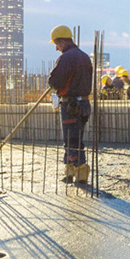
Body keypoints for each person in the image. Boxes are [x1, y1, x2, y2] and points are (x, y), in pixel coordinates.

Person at [48, 25, 94, 185]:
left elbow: (55, 81)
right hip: (85, 104)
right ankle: (70, 170)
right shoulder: (85, 57)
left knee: (70, 139)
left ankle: (79, 169)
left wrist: (53, 83)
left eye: (56, 43)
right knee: (77, 137)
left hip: (70, 105)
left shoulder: (66, 57)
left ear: (62, 41)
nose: (56, 48)